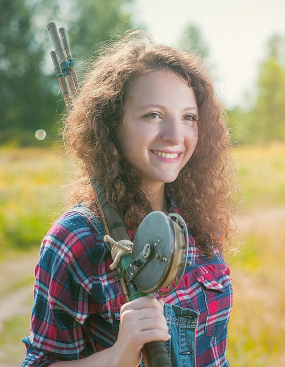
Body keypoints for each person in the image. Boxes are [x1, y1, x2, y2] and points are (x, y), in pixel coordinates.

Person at [22, 31, 237, 367]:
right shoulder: (76, 239)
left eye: (188, 117)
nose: (175, 136)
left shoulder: (194, 220)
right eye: (153, 115)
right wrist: (117, 356)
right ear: (112, 125)